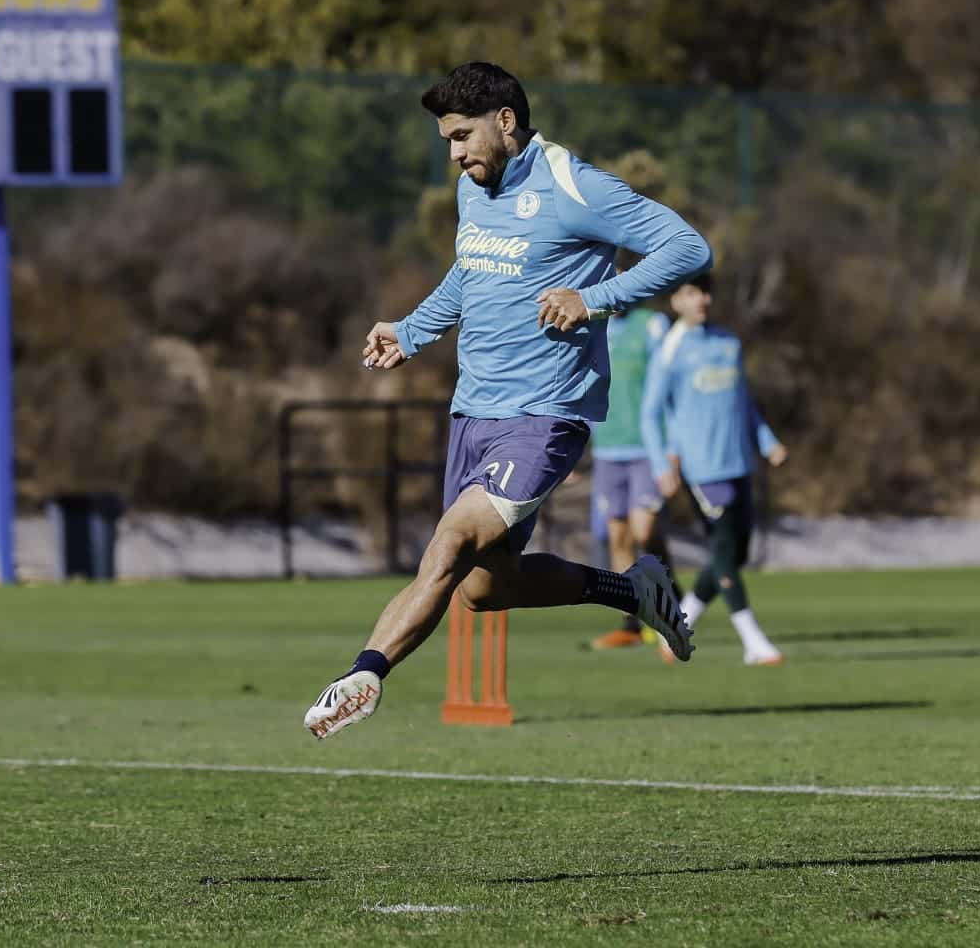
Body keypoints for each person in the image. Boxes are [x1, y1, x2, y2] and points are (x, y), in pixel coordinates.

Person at [303, 62, 711, 741]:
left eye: (462, 136)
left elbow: (687, 246)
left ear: (505, 121)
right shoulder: (474, 190)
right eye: (446, 141)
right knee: (487, 590)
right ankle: (635, 590)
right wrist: (411, 331)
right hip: (474, 411)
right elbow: (472, 270)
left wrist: (595, 299)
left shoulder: (574, 185)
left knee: (454, 539)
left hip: (545, 413)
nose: (456, 153)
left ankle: (365, 674)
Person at [640, 275, 788, 665]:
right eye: (691, 293)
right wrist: (661, 464)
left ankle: (677, 622)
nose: (701, 299)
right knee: (722, 549)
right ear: (676, 301)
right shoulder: (669, 351)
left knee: (735, 555)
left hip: (739, 462)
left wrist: (767, 441)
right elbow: (650, 414)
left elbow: (745, 404)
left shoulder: (728, 343)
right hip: (702, 469)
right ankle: (753, 642)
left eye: (705, 291)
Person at [587, 303, 674, 650]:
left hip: (646, 448)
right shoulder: (589, 325)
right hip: (607, 449)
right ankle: (633, 622)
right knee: (618, 537)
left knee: (645, 530)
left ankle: (671, 596)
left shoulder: (652, 325)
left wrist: (671, 447)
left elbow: (670, 386)